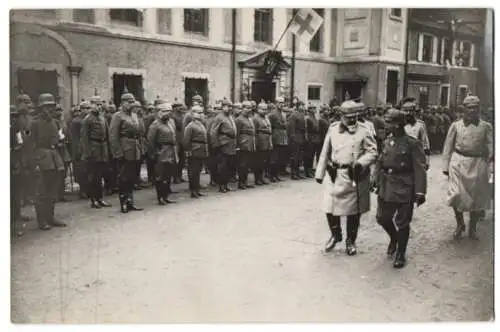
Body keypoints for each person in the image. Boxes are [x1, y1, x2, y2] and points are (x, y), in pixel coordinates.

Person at [315, 100, 378, 255]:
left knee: (353, 211)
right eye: (348, 117)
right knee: (329, 207)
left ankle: (351, 241)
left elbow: (373, 152)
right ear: (341, 116)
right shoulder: (333, 128)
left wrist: (360, 163)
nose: (351, 120)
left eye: (354, 116)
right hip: (335, 173)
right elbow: (325, 150)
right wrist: (320, 172)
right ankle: (335, 235)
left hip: (353, 175)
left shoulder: (365, 130)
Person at [373, 108, 427, 268]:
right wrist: (374, 179)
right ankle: (394, 238)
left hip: (404, 187)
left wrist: (420, 191)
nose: (385, 124)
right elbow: (380, 161)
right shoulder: (387, 141)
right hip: (387, 186)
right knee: (382, 218)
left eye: (388, 122)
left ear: (397, 125)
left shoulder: (412, 144)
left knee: (403, 222)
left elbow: (420, 168)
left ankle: (401, 253)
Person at [442, 96, 493, 240]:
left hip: (478, 163)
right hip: (458, 162)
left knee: (476, 198)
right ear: (463, 108)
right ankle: (459, 224)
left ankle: (473, 228)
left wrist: (491, 163)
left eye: (475, 107)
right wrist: (445, 166)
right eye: (469, 107)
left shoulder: (486, 126)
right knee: (455, 195)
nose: (472, 110)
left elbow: (491, 146)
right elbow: (448, 146)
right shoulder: (456, 125)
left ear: (479, 109)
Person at [31, 93, 68, 230]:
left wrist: (60, 143)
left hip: (54, 158)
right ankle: (42, 221)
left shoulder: (55, 122)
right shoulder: (34, 123)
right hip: (41, 159)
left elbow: (59, 137)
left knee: (52, 191)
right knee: (41, 192)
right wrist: (34, 163)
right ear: (41, 108)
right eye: (47, 107)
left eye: (51, 106)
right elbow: (30, 145)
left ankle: (50, 218)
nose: (50, 109)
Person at [109, 93, 144, 213]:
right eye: (128, 102)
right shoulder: (117, 116)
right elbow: (113, 136)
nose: (131, 105)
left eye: (132, 102)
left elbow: (138, 134)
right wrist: (118, 152)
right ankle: (123, 202)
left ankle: (130, 202)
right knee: (123, 177)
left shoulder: (134, 116)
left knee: (132, 177)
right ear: (123, 103)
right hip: (124, 148)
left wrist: (140, 148)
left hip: (134, 148)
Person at [81, 99, 112, 209]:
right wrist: (88, 153)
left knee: (101, 175)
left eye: (100, 105)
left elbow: (107, 135)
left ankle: (100, 198)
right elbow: (84, 138)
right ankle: (94, 200)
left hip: (103, 149)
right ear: (91, 105)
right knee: (94, 177)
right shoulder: (87, 119)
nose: (99, 107)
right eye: (96, 105)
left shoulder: (102, 118)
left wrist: (108, 150)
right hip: (94, 150)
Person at [147, 102, 178, 205]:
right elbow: (151, 141)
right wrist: (154, 154)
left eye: (169, 111)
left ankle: (166, 196)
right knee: (160, 176)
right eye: (165, 111)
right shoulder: (155, 125)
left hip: (171, 151)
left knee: (168, 175)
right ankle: (160, 197)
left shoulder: (171, 122)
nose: (168, 113)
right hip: (161, 151)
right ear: (159, 112)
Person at [210, 99, 237, 193]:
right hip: (223, 145)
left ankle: (226, 184)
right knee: (223, 166)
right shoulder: (219, 117)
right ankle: (221, 185)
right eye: (228, 107)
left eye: (231, 107)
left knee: (230, 166)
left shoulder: (230, 117)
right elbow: (213, 132)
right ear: (223, 107)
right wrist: (217, 145)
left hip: (231, 145)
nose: (230, 108)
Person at [183, 104, 209, 198]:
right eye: (199, 113)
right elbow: (186, 140)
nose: (202, 115)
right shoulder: (190, 126)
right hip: (194, 150)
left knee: (198, 171)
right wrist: (188, 151)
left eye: (202, 113)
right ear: (193, 114)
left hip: (201, 149)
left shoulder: (201, 124)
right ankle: (193, 190)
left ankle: (197, 190)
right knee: (193, 171)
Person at [402, 98, 431, 170]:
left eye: (410, 111)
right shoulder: (400, 125)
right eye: (406, 111)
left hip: (416, 158)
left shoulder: (420, 125)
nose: (408, 113)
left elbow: (425, 143)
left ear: (415, 112)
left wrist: (427, 161)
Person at [235, 100, 257, 189]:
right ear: (242, 108)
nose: (249, 110)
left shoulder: (250, 118)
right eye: (247, 108)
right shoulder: (239, 120)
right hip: (243, 144)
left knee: (248, 164)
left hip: (250, 144)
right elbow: (237, 133)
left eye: (250, 108)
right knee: (242, 164)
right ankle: (241, 182)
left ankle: (245, 181)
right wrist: (237, 145)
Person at [10, 105, 25, 237]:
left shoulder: (16, 129)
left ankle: (15, 224)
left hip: (14, 164)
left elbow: (20, 144)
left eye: (15, 116)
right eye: (11, 116)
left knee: (15, 196)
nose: (13, 119)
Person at [268, 97, 288, 182]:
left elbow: (285, 125)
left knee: (280, 158)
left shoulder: (283, 114)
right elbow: (270, 127)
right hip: (275, 137)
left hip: (282, 137)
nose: (281, 104)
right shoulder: (272, 114)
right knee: (274, 158)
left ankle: (276, 175)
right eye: (280, 103)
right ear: (276, 103)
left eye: (282, 103)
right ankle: (271, 175)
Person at [253, 101, 273, 185]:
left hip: (267, 141)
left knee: (264, 161)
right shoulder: (255, 118)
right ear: (258, 109)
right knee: (258, 162)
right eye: (263, 109)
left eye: (266, 109)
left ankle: (262, 177)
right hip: (260, 142)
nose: (265, 111)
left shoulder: (266, 117)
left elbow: (269, 129)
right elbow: (254, 132)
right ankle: (257, 178)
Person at [304, 104, 320, 178]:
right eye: (313, 108)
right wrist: (307, 139)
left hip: (315, 138)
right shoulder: (308, 118)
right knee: (308, 156)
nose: (315, 110)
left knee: (312, 155)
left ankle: (310, 171)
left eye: (315, 108)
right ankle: (307, 171)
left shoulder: (314, 117)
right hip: (310, 139)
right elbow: (307, 129)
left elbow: (317, 127)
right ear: (309, 110)